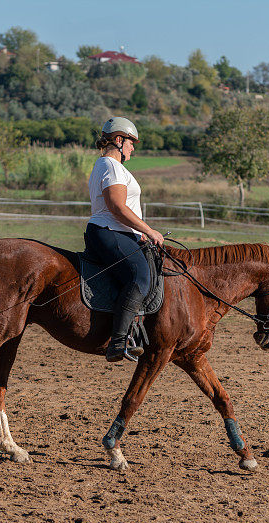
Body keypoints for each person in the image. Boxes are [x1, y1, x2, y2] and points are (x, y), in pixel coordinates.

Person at [84, 117, 165, 362]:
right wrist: (149, 230)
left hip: (117, 231)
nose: (133, 148)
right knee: (140, 275)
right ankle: (118, 342)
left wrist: (139, 233)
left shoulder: (111, 166)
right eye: (131, 142)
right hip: (109, 231)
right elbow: (117, 207)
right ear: (119, 140)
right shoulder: (110, 166)